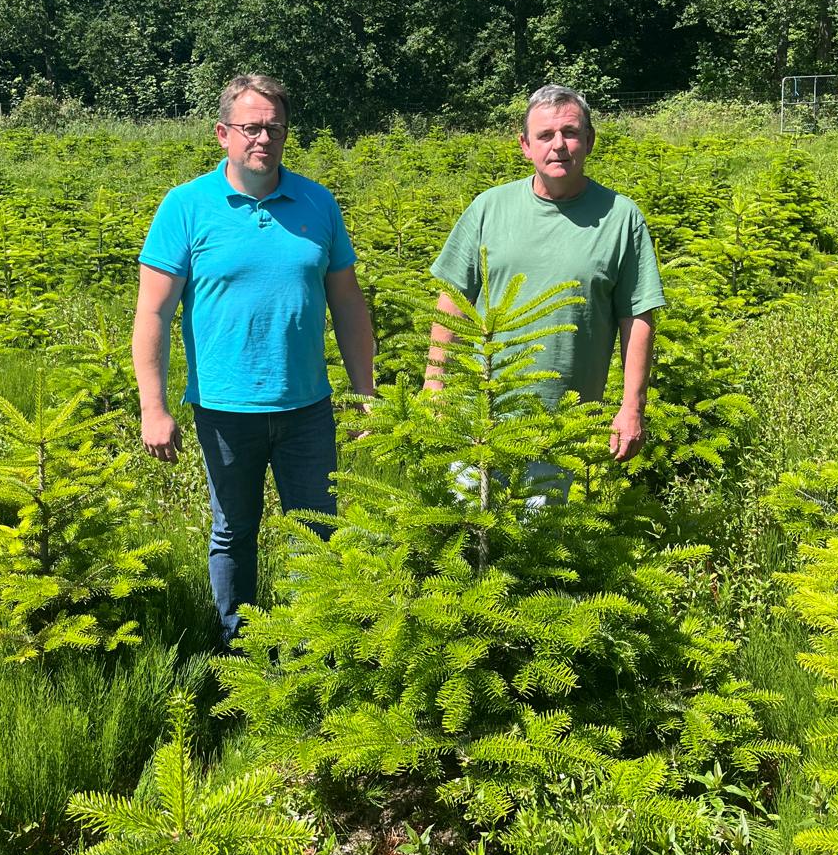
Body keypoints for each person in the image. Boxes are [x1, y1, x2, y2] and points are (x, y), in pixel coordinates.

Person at [132, 73, 375, 645]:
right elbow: (153, 314)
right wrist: (153, 406)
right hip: (224, 408)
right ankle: (237, 650)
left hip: (307, 409)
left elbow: (348, 304)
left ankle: (313, 646)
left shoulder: (317, 203)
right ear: (223, 134)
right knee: (233, 532)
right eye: (250, 127)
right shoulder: (185, 207)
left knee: (316, 532)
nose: (262, 138)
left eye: (274, 127)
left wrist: (366, 393)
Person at [425, 84, 664, 462]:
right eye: (545, 135)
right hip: (481, 421)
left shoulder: (621, 217)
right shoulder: (488, 208)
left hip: (568, 425)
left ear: (589, 140)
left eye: (570, 133)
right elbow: (453, 299)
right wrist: (434, 385)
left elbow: (637, 315)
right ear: (525, 145)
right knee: (468, 521)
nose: (559, 145)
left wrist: (632, 406)